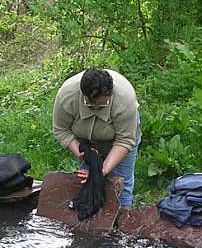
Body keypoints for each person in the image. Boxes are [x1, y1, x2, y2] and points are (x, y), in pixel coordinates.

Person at [51, 68, 142, 208]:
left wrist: (102, 170)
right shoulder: (67, 96)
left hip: (119, 139)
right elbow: (61, 130)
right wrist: (84, 155)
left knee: (121, 181)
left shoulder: (125, 99)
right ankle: (93, 218)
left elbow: (124, 140)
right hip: (84, 140)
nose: (97, 109)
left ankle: (122, 214)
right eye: (92, 105)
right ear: (84, 95)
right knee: (87, 178)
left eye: (102, 105)